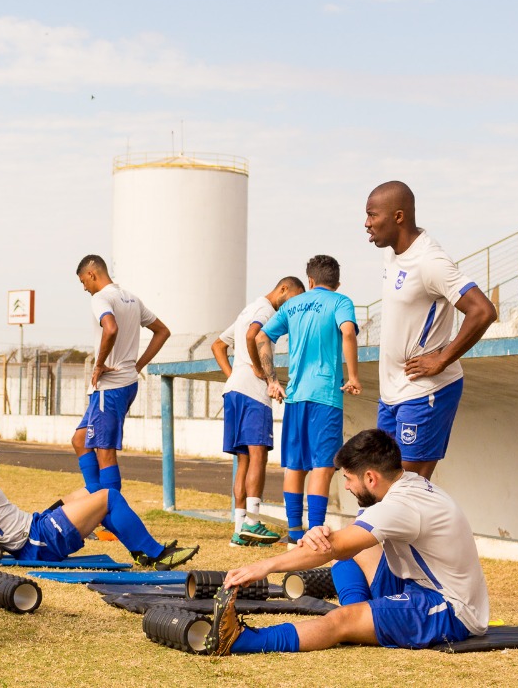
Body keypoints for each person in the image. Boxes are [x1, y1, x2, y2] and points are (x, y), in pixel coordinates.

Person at [205, 429, 488, 656]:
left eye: (349, 480)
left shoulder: (399, 506)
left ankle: (240, 641)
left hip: (450, 609)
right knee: (348, 558)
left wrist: (263, 567)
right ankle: (362, 621)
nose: (348, 487)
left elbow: (333, 548)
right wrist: (323, 538)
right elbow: (342, 545)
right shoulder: (403, 484)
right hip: (418, 584)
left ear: (370, 477)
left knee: (340, 620)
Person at [364, 181, 497, 479]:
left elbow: (483, 311)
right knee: (384, 486)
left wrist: (442, 359)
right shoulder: (392, 253)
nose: (367, 223)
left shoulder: (430, 262)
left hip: (425, 393)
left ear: (398, 217)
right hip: (391, 393)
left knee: (405, 488)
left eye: (373, 215)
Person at [0, 424, 198, 570]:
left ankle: (140, 550)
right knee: (110, 497)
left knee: (93, 490)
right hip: (36, 541)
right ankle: (156, 555)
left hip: (36, 527)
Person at [254, 255, 361, 545]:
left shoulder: (291, 305)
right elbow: (348, 332)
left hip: (296, 397)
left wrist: (272, 380)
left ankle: (294, 534)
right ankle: (315, 533)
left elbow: (262, 337)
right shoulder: (340, 302)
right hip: (325, 397)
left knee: (295, 466)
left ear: (310, 280)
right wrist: (353, 376)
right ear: (337, 283)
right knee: (322, 466)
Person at [211, 276, 305, 547]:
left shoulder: (248, 308)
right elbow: (254, 335)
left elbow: (218, 345)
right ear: (283, 289)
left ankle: (239, 529)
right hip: (252, 393)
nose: (293, 306)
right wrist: (258, 369)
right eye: (294, 299)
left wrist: (234, 375)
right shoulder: (265, 310)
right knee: (258, 456)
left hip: (234, 390)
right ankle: (253, 521)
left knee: (243, 461)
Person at [73, 254, 170, 493]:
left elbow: (111, 327)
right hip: (125, 384)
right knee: (80, 440)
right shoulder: (132, 299)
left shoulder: (101, 298)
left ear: (91, 274)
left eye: (83, 282)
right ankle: (96, 501)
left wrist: (99, 364)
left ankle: (110, 516)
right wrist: (137, 365)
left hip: (111, 386)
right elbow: (162, 331)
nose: (84, 288)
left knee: (105, 452)